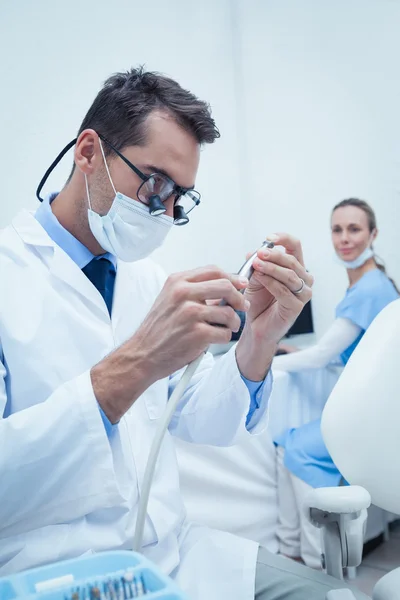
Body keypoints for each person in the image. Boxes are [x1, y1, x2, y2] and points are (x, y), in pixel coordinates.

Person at [0, 68, 367, 600]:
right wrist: (129, 369)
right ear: (87, 153)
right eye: (155, 184)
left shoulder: (144, 277)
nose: (165, 213)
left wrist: (260, 338)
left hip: (174, 557)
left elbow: (199, 418)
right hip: (50, 572)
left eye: (181, 197)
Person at [273, 198, 399, 569]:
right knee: (286, 444)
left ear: (373, 234)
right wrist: (292, 350)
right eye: (337, 229)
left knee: (296, 449)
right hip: (380, 416)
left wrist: (262, 358)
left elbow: (320, 356)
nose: (344, 239)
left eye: (354, 229)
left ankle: (313, 563)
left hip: (373, 424)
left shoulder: (371, 288)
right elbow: (345, 349)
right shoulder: (371, 285)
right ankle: (291, 550)